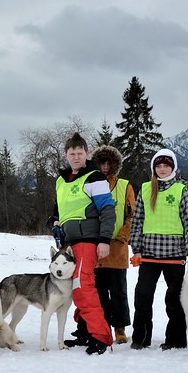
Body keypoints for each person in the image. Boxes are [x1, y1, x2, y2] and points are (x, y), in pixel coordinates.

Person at [49, 132, 115, 355]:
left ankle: (101, 337)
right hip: (68, 243)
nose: (76, 157)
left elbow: (108, 210)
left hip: (88, 240)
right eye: (72, 153)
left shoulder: (95, 177)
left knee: (82, 286)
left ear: (87, 154)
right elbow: (59, 209)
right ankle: (85, 330)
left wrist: (104, 240)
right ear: (66, 155)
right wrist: (54, 221)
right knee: (72, 288)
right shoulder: (61, 181)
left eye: (80, 153)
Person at [128, 149, 188, 350]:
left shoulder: (181, 191)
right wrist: (136, 248)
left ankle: (175, 340)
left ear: (173, 168)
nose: (162, 169)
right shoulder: (145, 189)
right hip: (149, 254)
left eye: (166, 165)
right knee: (143, 296)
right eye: (158, 166)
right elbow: (137, 221)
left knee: (174, 299)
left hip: (174, 255)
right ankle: (140, 338)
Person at [87, 144, 135, 344]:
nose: (105, 167)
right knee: (98, 293)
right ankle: (103, 326)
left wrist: (122, 237)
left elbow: (132, 216)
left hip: (116, 250)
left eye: (109, 163)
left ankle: (120, 328)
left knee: (118, 293)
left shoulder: (125, 186)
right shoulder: (89, 184)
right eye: (101, 163)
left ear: (115, 165)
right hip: (95, 248)